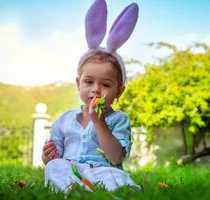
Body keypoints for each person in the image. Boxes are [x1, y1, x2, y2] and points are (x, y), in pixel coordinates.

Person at [42, 0, 140, 193]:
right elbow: (57, 156)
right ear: (79, 84)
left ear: (119, 91)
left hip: (105, 170)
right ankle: (73, 191)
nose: (96, 89)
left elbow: (116, 158)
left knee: (121, 179)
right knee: (54, 168)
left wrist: (99, 122)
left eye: (106, 84)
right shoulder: (64, 121)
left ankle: (89, 191)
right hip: (71, 168)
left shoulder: (119, 120)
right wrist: (48, 157)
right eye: (89, 82)